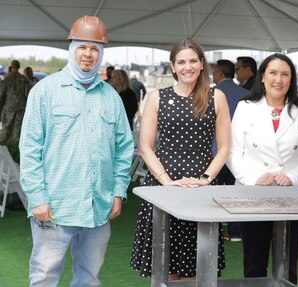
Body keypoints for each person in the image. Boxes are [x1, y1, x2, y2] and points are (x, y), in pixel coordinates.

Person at [19, 15, 134, 287]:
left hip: (98, 207)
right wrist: (37, 197)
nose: (88, 54)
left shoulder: (111, 96)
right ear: (71, 49)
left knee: (89, 277)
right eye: (82, 47)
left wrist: (118, 191)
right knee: (45, 276)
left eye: (95, 48)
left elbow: (124, 148)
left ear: (101, 53)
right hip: (56, 206)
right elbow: (30, 147)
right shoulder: (45, 91)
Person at [130, 38, 231, 281]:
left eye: (193, 61)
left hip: (201, 192)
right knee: (166, 269)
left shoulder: (217, 98)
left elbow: (225, 147)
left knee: (198, 267)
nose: (188, 67)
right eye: (182, 61)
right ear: (173, 66)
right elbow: (145, 147)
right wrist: (166, 181)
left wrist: (205, 179)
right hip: (165, 190)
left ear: (202, 63)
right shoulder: (156, 97)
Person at [227, 53, 298, 284]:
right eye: (273, 73)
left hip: (292, 196)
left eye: (284, 74)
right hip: (252, 195)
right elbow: (232, 153)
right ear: (262, 77)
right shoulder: (245, 107)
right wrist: (255, 177)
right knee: (254, 262)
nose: (278, 79)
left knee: (288, 262)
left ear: (291, 80)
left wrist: (291, 177)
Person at [212, 59, 250, 242]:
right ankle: (236, 231)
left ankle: (214, 228)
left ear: (219, 73)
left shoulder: (211, 93)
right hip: (240, 152)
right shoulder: (246, 93)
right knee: (237, 191)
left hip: (215, 150)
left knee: (214, 190)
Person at [0, 59, 30, 144]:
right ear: (19, 67)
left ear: (12, 67)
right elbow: (27, 94)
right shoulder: (24, 79)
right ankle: (15, 150)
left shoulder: (7, 78)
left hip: (9, 108)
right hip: (21, 108)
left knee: (6, 128)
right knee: (17, 130)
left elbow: (2, 94)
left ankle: (3, 148)